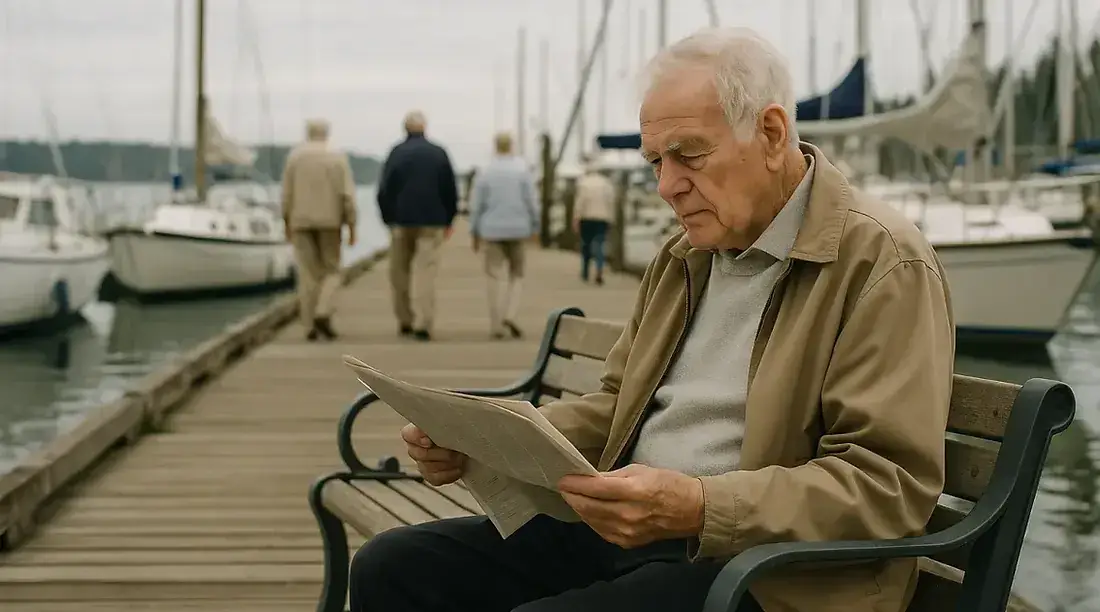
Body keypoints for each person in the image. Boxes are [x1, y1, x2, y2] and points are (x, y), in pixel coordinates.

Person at [351, 26, 954, 612]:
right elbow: (619, 406)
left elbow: (887, 482)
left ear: (771, 134)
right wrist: (482, 442)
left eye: (688, 155)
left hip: (765, 571)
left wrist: (700, 505)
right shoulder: (685, 256)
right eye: (655, 162)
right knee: (393, 568)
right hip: (637, 532)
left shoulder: (881, 260)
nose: (668, 186)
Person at [377, 110, 459, 342]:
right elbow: (450, 189)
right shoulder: (438, 153)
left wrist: (387, 218)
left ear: (405, 129)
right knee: (426, 273)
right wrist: (450, 219)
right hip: (432, 221)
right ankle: (424, 322)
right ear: (425, 128)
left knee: (399, 273)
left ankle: (405, 320)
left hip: (401, 221)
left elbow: (384, 189)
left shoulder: (396, 153)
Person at [280, 118, 356, 341]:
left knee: (307, 274)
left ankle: (308, 325)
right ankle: (323, 311)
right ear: (327, 133)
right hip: (330, 222)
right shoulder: (337, 157)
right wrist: (351, 224)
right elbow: (347, 195)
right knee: (332, 271)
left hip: (300, 221)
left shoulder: (294, 157)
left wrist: (286, 221)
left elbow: (286, 194)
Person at [469, 132, 540, 340]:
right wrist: (535, 226)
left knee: (493, 276)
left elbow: (477, 205)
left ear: (495, 146)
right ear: (512, 146)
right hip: (518, 229)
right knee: (517, 274)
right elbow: (532, 201)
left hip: (491, 230)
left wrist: (474, 231)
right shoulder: (523, 171)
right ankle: (510, 313)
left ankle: (496, 324)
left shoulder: (486, 172)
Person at [571, 156, 617, 285]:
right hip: (602, 218)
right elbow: (611, 202)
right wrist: (611, 219)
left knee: (585, 245)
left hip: (586, 218)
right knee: (600, 245)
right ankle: (599, 271)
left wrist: (576, 218)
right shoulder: (606, 183)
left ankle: (585, 272)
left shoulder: (583, 182)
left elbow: (579, 202)